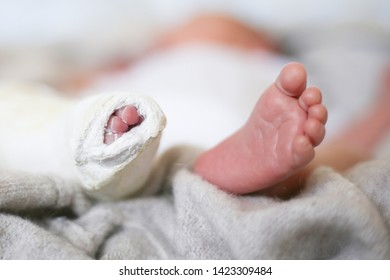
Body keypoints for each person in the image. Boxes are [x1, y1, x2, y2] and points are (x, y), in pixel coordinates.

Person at [99, 14, 390, 199]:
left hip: (155, 130)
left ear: (258, 45)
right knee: (343, 152)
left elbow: (319, 131)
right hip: (161, 120)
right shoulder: (146, 65)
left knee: (335, 152)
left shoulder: (262, 65)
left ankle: (272, 172)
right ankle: (271, 176)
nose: (169, 38)